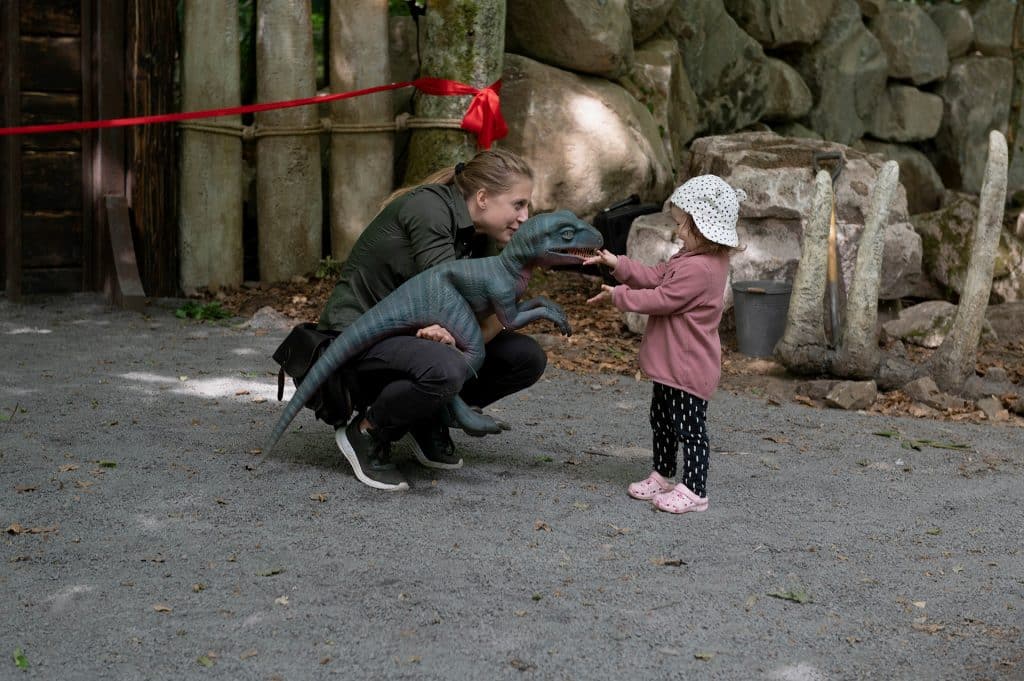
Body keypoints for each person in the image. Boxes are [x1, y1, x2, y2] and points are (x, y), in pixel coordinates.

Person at [318, 148, 547, 492]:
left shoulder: (479, 235)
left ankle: (424, 416)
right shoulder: (428, 209)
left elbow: (475, 316)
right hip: (356, 337)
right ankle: (367, 431)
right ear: (483, 198)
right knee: (445, 365)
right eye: (518, 204)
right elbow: (443, 301)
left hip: (411, 334)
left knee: (524, 357)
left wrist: (501, 312)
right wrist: (481, 321)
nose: (525, 216)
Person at [584, 175, 745, 514]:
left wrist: (619, 296)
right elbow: (658, 276)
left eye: (682, 225)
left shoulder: (702, 268)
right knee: (662, 420)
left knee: (690, 429)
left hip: (688, 367)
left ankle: (695, 490)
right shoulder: (691, 257)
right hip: (672, 365)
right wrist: (619, 265)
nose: (677, 231)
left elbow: (662, 297)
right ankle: (664, 474)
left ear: (702, 227)